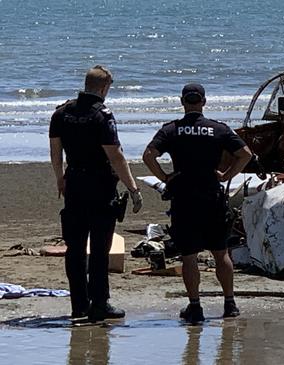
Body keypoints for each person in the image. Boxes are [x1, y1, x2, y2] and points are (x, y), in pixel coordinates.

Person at [142, 83, 252, 322]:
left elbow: (148, 155)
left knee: (189, 255)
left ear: (182, 102)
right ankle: (229, 304)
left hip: (184, 198)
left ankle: (195, 306)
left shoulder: (172, 130)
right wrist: (227, 175)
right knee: (220, 252)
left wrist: (165, 177)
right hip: (211, 196)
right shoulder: (218, 129)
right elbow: (245, 154)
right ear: (203, 102)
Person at [49, 65, 143, 322]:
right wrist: (133, 188)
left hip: (74, 182)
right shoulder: (102, 115)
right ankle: (99, 303)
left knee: (75, 248)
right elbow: (116, 155)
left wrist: (60, 178)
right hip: (100, 185)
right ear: (104, 88)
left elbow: (55, 151)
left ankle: (79, 305)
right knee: (100, 248)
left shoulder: (62, 112)